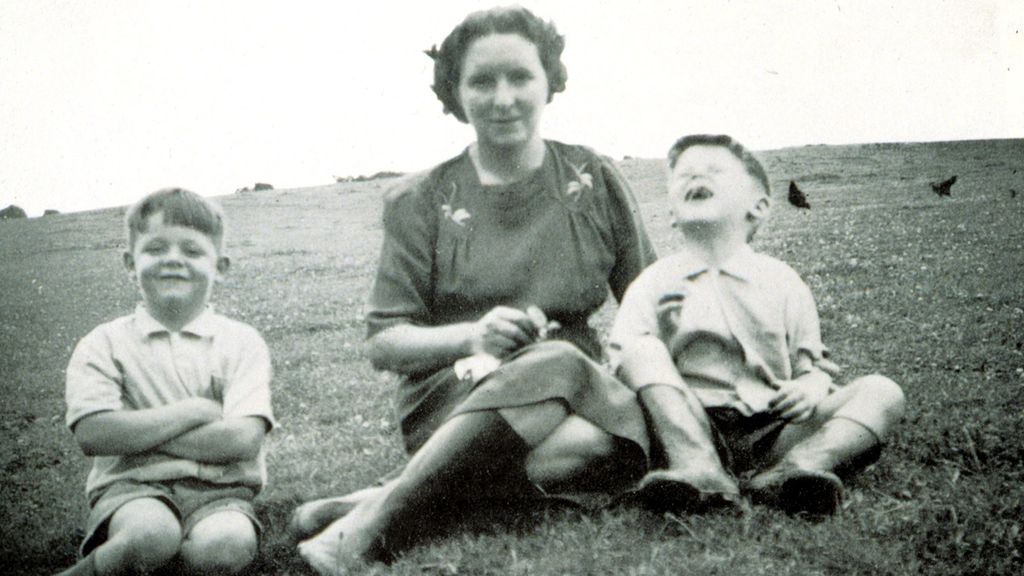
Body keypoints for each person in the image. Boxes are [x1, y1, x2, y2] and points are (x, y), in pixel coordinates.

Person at [294, 6, 656, 572]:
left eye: (520, 77)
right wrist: (473, 337)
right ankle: (366, 527)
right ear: (455, 93)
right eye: (481, 81)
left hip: (575, 396)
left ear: (549, 81)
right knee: (558, 364)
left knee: (600, 444)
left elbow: (647, 303)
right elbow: (384, 343)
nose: (503, 97)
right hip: (457, 396)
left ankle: (388, 497)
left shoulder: (595, 176)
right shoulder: (419, 200)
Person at [609, 134, 906, 516]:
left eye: (715, 171)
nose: (696, 177)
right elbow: (625, 362)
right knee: (641, 347)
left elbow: (811, 367)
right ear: (670, 212)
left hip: (773, 431)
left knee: (882, 391)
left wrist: (810, 387)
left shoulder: (783, 280)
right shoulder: (653, 281)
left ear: (760, 206)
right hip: (684, 427)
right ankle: (698, 468)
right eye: (684, 175)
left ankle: (795, 470)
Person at [58, 188, 275, 576]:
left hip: (221, 493)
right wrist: (194, 412)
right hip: (133, 488)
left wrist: (136, 430)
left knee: (227, 546)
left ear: (220, 266)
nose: (174, 259)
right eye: (156, 249)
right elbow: (94, 433)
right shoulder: (103, 343)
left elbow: (242, 439)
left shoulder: (241, 342)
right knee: (150, 537)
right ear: (130, 262)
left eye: (192, 251)